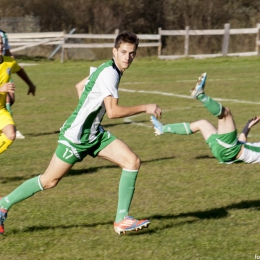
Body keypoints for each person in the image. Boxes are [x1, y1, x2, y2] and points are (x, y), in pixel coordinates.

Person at [0, 30, 162, 235]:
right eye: (123, 52)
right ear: (115, 51)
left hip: (94, 135)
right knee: (49, 181)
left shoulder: (107, 67)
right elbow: (112, 112)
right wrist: (145, 106)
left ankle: (122, 219)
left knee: (132, 162)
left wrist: (87, 114)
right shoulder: (110, 73)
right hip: (75, 138)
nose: (127, 57)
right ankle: (3, 204)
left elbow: (80, 86)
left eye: (132, 53)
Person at [151, 72, 260, 164]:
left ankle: (200, 95)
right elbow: (244, 145)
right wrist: (248, 126)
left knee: (226, 113)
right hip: (225, 152)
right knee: (202, 124)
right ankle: (162, 128)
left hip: (231, 150)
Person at [0, 34, 36, 154]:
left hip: (0, 110)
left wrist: (30, 84)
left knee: (10, 134)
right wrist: (1, 88)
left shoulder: (9, 62)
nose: (0, 46)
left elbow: (19, 69)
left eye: (1, 43)